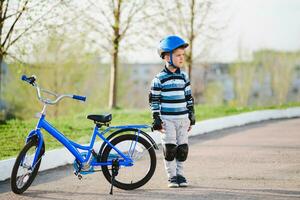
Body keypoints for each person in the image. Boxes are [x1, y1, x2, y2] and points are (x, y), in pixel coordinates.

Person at [149, 35, 196, 188]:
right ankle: (172, 177)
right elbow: (154, 100)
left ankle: (181, 175)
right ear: (167, 57)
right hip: (167, 120)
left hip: (183, 119)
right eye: (178, 55)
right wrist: (156, 118)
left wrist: (191, 114)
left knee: (182, 149)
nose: (181, 58)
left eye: (183, 55)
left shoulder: (184, 77)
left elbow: (189, 97)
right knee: (170, 149)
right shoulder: (159, 79)